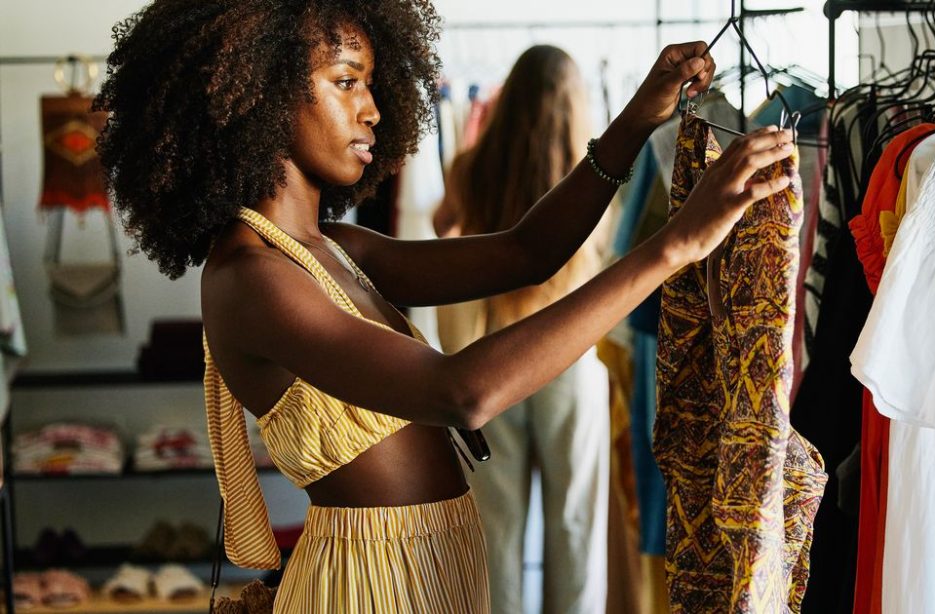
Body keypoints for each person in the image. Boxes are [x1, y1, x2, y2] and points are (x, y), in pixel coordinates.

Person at [94, 0, 795, 612]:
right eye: (346, 82)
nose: (372, 108)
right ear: (263, 94)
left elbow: (528, 252)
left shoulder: (335, 249)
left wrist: (636, 121)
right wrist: (675, 245)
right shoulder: (252, 278)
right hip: (366, 587)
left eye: (371, 84)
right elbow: (463, 392)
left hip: (435, 568)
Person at [433, 45, 612, 614]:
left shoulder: (472, 168)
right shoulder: (593, 177)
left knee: (497, 530)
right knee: (575, 527)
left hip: (497, 361)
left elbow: (441, 228)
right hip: (569, 360)